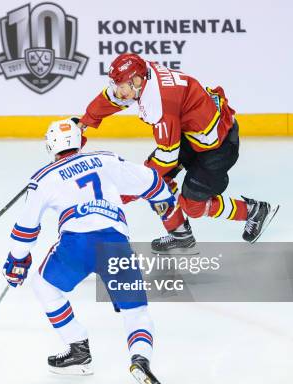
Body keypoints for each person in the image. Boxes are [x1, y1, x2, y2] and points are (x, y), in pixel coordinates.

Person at [1, 118, 174, 384]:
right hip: (116, 243)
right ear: (80, 142)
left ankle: (78, 350)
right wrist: (164, 202)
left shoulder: (42, 178)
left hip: (77, 243)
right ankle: (141, 359)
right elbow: (150, 181)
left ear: (51, 146)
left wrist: (17, 262)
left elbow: (26, 229)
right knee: (137, 311)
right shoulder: (105, 159)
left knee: (45, 287)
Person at [77, 53, 279, 254]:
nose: (118, 92)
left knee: (191, 205)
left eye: (121, 86)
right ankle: (180, 233)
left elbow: (167, 158)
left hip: (218, 147)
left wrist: (133, 187)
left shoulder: (158, 102)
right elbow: (112, 99)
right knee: (157, 181)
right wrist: (84, 122)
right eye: (117, 85)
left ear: (136, 81)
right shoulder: (144, 72)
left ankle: (253, 211)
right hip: (193, 135)